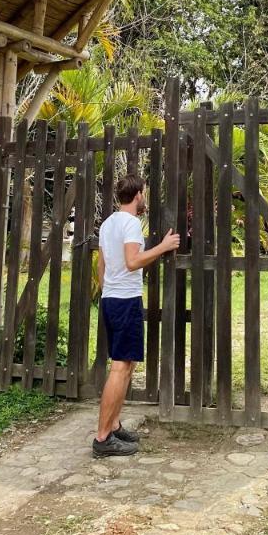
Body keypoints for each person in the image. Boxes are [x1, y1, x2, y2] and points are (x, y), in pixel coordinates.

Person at [92, 173, 179, 457]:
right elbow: (132, 262)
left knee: (126, 365)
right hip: (125, 301)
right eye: (145, 193)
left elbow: (101, 265)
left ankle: (114, 425)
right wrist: (163, 248)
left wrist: (108, 290)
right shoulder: (130, 223)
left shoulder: (107, 224)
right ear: (139, 194)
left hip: (111, 299)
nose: (145, 197)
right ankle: (103, 438)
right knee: (120, 367)